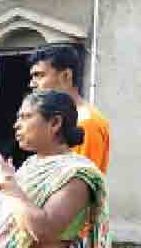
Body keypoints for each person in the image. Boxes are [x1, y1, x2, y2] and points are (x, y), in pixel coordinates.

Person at [0, 90, 110, 248]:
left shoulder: (76, 174)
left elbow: (43, 231)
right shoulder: (31, 165)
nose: (16, 124)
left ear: (55, 123)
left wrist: (7, 184)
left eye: (26, 117)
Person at [29, 45, 109, 173]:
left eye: (39, 75)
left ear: (66, 75)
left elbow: (81, 185)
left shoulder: (86, 122)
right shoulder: (61, 118)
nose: (32, 84)